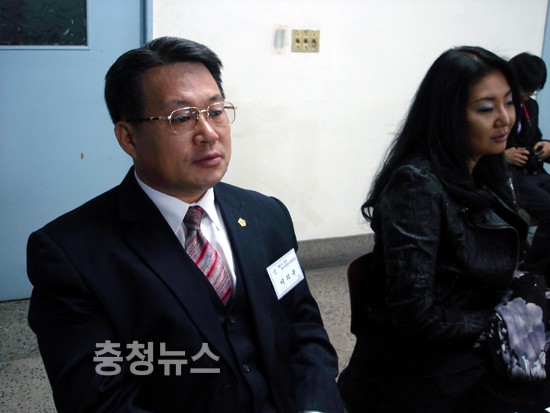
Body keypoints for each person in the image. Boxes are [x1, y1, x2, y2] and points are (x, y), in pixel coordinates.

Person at [27, 36, 343, 413]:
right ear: (128, 137)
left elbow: (303, 329)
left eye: (216, 111)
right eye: (181, 117)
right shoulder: (71, 254)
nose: (208, 132)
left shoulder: (266, 215)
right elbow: (100, 399)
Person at [338, 46, 550, 412]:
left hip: (469, 336)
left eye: (509, 103)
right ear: (448, 114)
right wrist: (502, 322)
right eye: (486, 108)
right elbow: (416, 316)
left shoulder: (484, 169)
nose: (505, 119)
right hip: (424, 366)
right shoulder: (417, 185)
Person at [504, 53, 550, 284]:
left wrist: (546, 146)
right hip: (511, 177)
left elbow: (535, 137)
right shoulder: (497, 106)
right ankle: (531, 272)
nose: (527, 95)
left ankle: (544, 273)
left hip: (534, 172)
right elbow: (469, 144)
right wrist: (503, 156)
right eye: (524, 90)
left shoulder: (530, 105)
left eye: (532, 91)